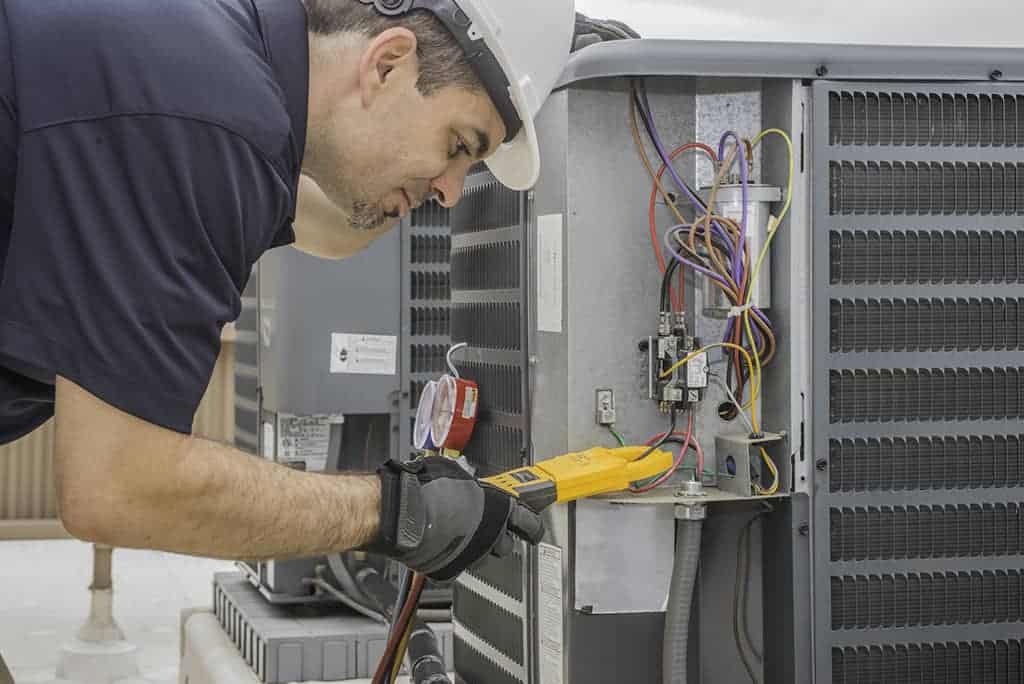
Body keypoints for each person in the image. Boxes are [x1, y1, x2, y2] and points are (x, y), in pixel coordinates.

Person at [0, 0, 574, 614]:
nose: (451, 191)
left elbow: (325, 227)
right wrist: (399, 511)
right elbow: (118, 486)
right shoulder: (208, 113)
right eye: (459, 144)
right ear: (387, 64)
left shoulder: (216, 59)